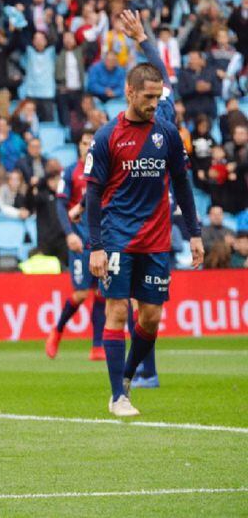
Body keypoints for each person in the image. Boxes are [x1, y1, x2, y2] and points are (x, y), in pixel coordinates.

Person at [86, 58, 203, 417]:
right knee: (118, 311)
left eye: (157, 97)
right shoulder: (107, 136)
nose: (154, 103)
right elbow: (92, 194)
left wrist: (194, 234)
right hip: (118, 235)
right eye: (148, 97)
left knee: (150, 318)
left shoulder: (166, 133)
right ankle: (118, 395)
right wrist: (97, 247)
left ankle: (126, 377)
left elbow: (182, 183)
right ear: (129, 92)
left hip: (156, 238)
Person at [46, 128, 106, 362]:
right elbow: (61, 206)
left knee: (102, 293)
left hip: (101, 241)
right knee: (81, 294)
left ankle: (97, 346)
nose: (87, 146)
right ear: (78, 146)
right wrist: (70, 234)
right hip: (81, 241)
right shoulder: (70, 172)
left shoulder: (103, 171)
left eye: (91, 143)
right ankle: (58, 330)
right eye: (83, 142)